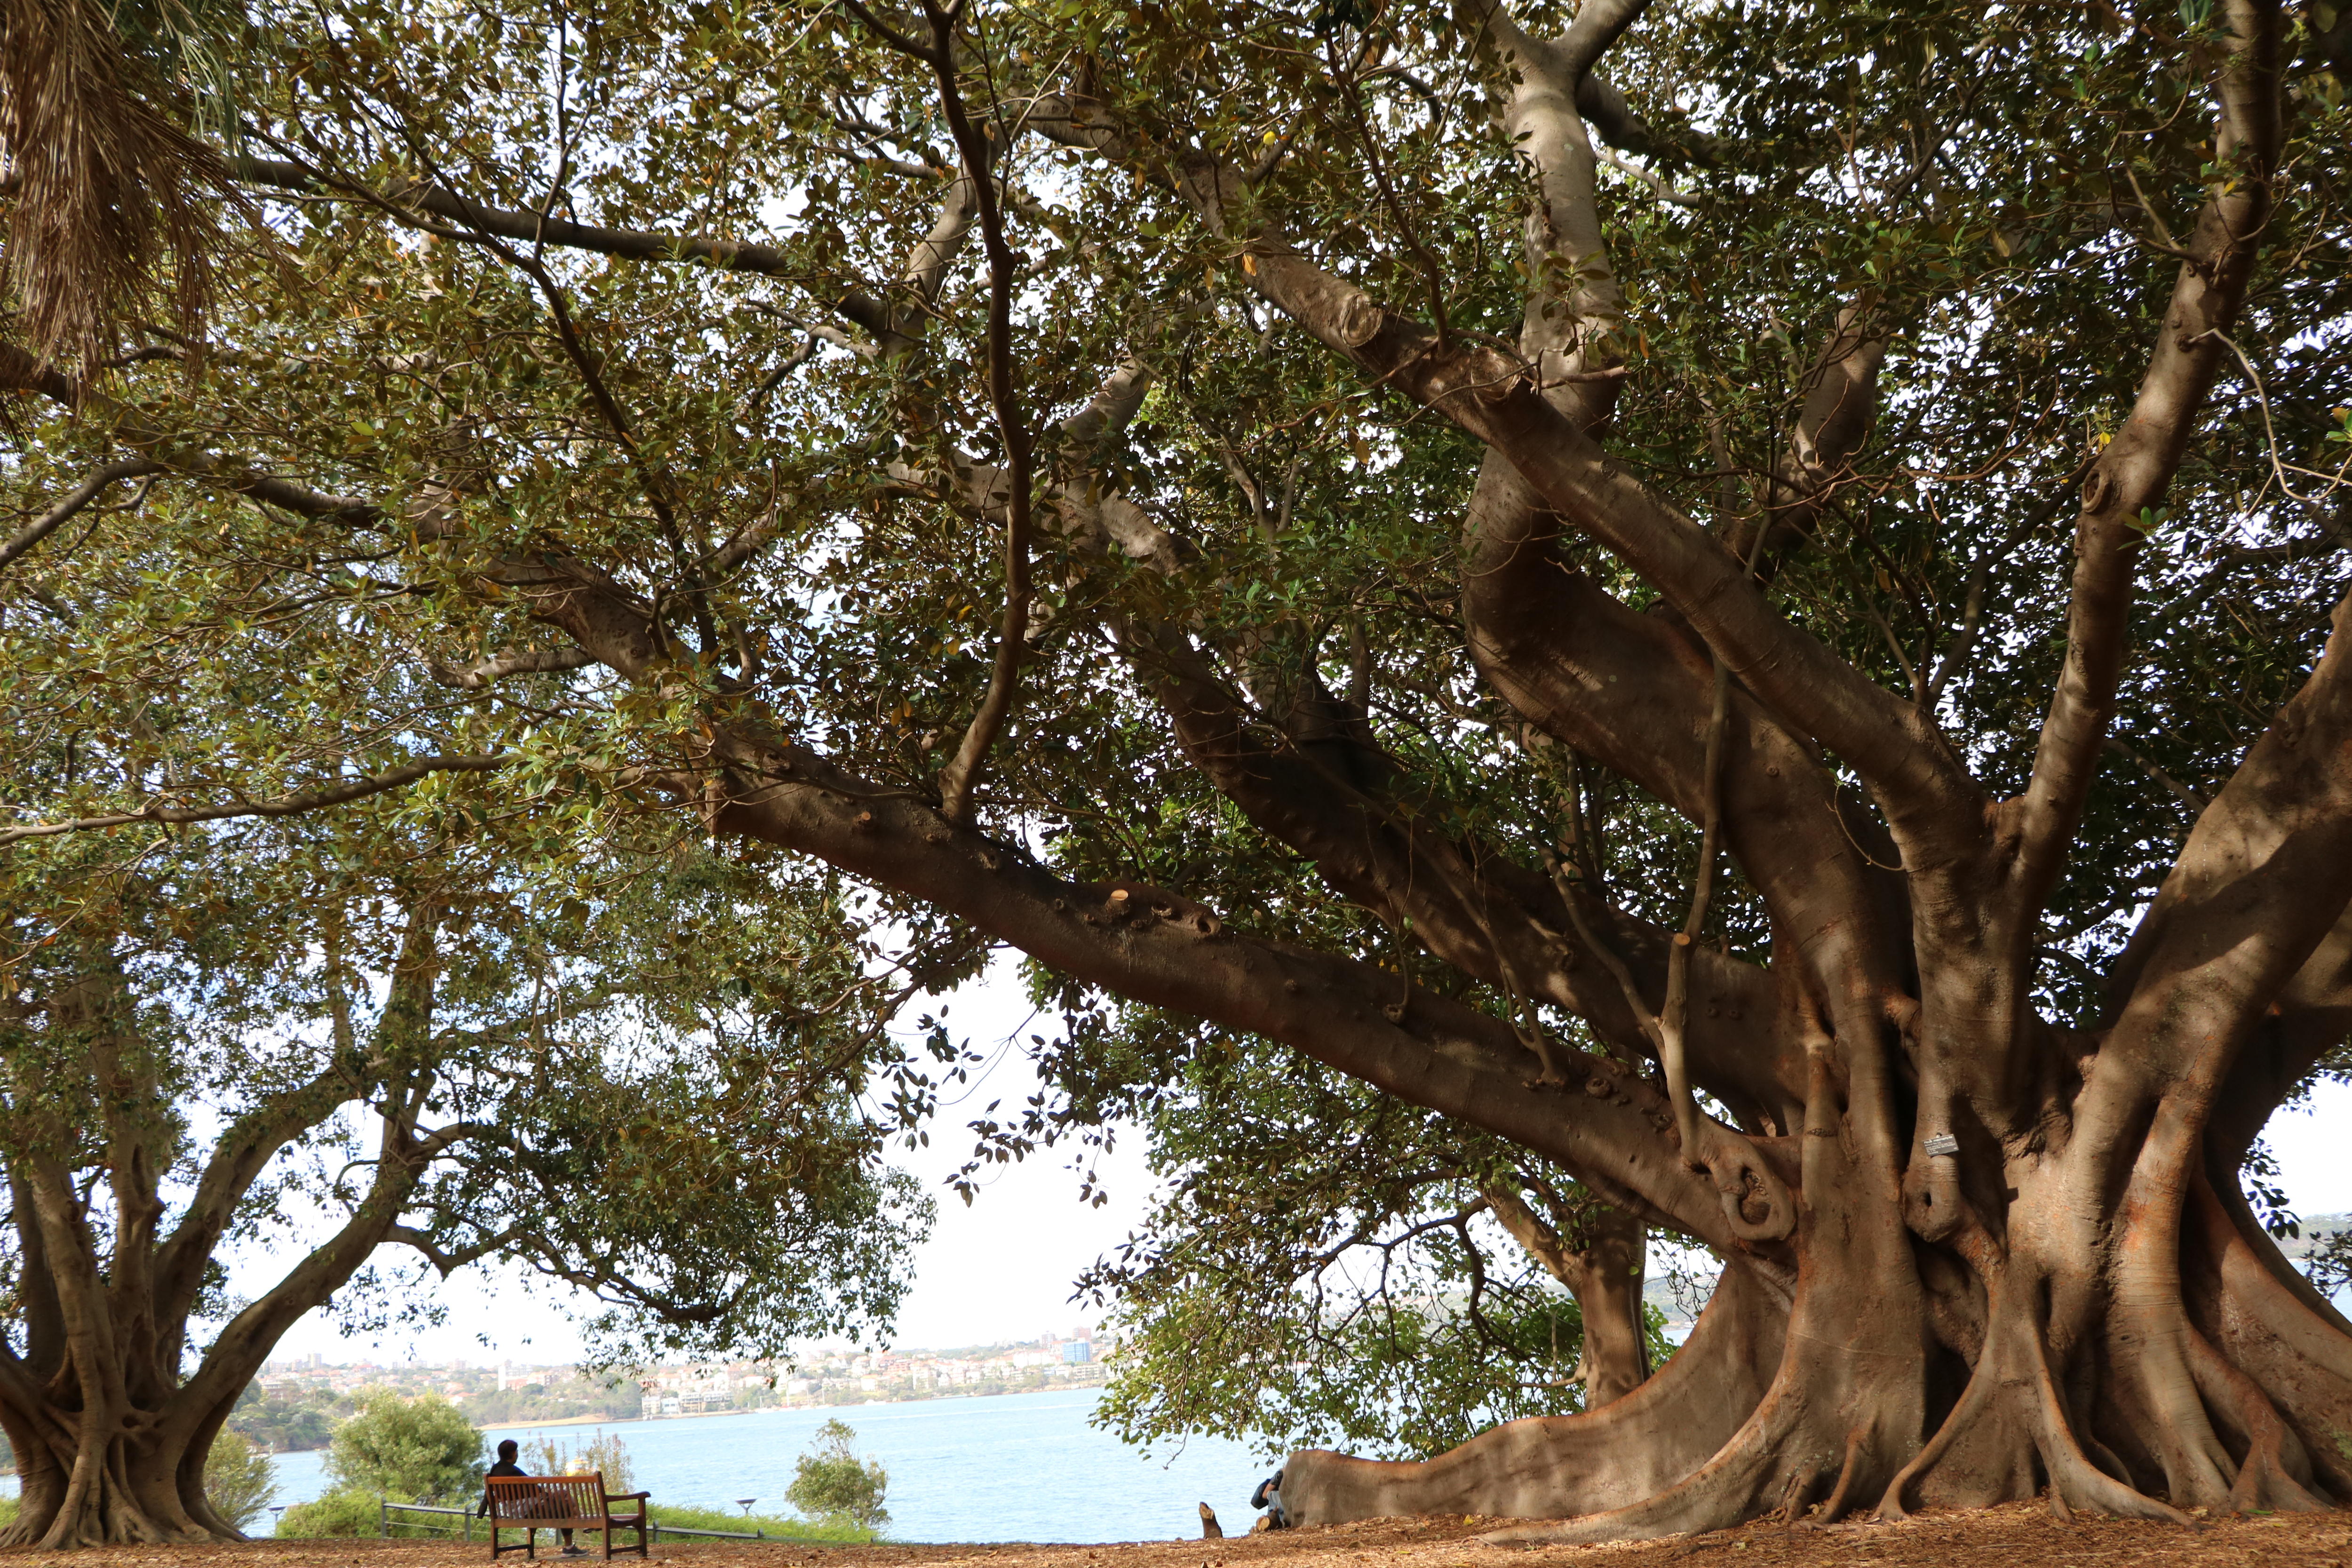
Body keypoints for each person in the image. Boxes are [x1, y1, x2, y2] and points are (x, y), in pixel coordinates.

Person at [480, 1439, 585, 1556]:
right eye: (516, 1452)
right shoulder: (513, 1472)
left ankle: (574, 1537)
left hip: (512, 1512)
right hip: (528, 1511)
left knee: (564, 1503)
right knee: (565, 1501)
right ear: (513, 1453)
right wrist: (548, 1495)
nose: (517, 1454)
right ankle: (579, 1529)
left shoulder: (495, 1471)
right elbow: (535, 1489)